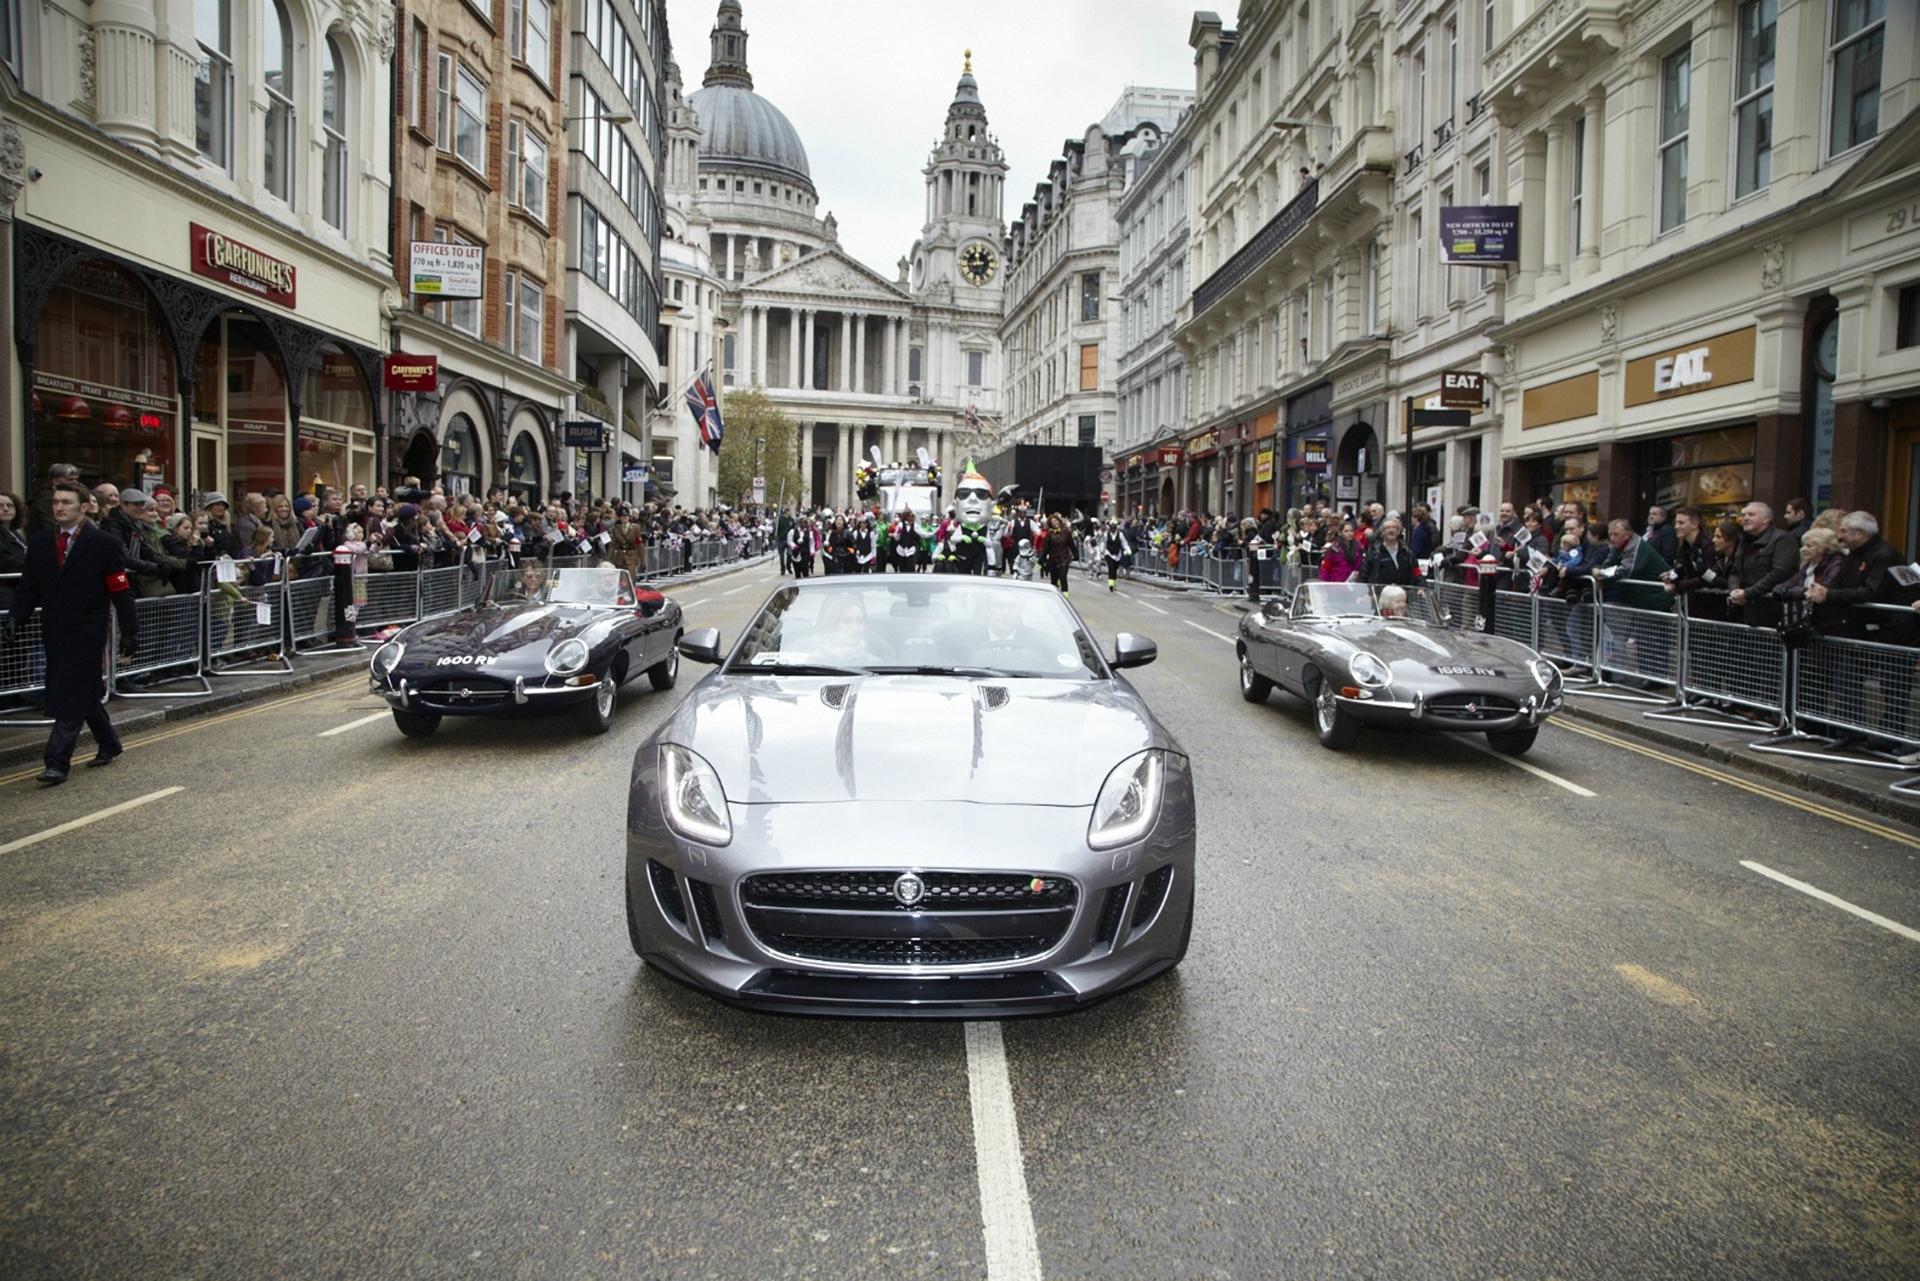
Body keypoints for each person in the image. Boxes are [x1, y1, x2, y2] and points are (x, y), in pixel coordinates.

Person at [4, 480, 138, 784]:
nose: (59, 507)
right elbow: (28, 587)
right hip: (54, 629)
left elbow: (120, 591)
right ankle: (109, 742)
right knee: (84, 690)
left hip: (88, 630)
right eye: (55, 502)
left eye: (66, 502)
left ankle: (57, 761)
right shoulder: (39, 543)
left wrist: (130, 632)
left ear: (84, 506)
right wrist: (15, 617)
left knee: (70, 692)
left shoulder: (104, 544)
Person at [1727, 501, 1799, 626]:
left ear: (1766, 519)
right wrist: (1734, 591)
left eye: (1751, 514)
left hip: (1772, 612)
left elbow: (1779, 572)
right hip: (1745, 610)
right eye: (1743, 515)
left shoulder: (1783, 539)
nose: (1745, 518)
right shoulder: (1744, 541)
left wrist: (1748, 593)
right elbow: (1735, 571)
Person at [1362, 518, 1418, 586]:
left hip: (1403, 593)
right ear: (1382, 532)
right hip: (1380, 593)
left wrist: (1422, 586)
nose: (1391, 530)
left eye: (1394, 528)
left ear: (1398, 531)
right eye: (1388, 528)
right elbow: (1364, 574)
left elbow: (1416, 571)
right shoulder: (1374, 552)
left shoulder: (1408, 551)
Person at [1039, 513, 1075, 594]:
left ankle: (1065, 597)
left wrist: (1076, 555)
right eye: (1052, 522)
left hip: (1064, 559)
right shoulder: (1049, 534)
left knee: (1063, 577)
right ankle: (1055, 596)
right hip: (1053, 560)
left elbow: (1071, 544)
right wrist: (1041, 560)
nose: (1055, 523)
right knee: (1054, 581)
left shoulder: (1067, 532)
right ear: (1050, 524)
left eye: (1056, 521)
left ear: (1059, 521)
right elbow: (1045, 549)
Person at [1105, 521, 1134, 593]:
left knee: (1115, 569)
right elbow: (1103, 543)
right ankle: (1110, 585)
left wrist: (1128, 550)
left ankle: (1114, 584)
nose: (1112, 530)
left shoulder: (1120, 535)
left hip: (1117, 555)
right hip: (1109, 554)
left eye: (1114, 528)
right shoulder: (1106, 534)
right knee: (1111, 568)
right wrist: (1101, 552)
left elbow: (1124, 543)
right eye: (1111, 528)